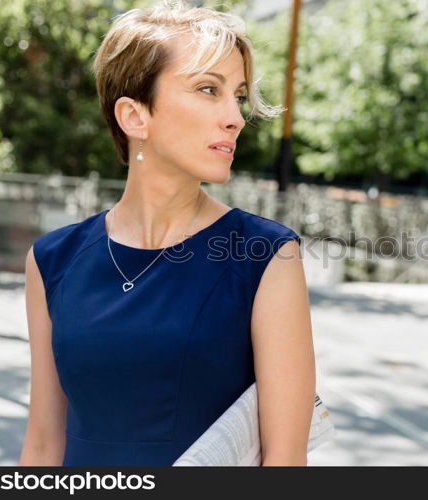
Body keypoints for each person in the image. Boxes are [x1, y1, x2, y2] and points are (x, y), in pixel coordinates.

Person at [18, 0, 315, 466]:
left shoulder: (266, 255)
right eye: (207, 89)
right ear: (135, 116)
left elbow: (285, 462)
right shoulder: (53, 260)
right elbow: (41, 445)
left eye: (236, 95)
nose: (235, 117)